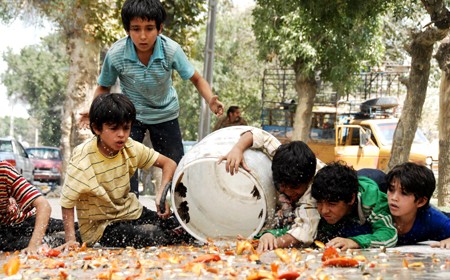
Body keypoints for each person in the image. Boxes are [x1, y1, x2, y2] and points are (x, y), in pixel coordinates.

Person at [80, 0, 224, 197]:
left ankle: (176, 211)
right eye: (136, 29)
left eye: (149, 29)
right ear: (127, 30)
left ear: (160, 28)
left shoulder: (170, 51)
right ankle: (129, 211)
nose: (143, 36)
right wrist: (95, 111)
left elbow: (197, 78)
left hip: (165, 114)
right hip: (132, 117)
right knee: (125, 162)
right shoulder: (116, 54)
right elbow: (104, 86)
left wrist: (210, 100)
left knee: (176, 165)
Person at [60, 93, 189, 249]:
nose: (121, 135)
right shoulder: (83, 158)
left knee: (185, 224)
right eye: (114, 129)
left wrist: (161, 194)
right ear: (96, 128)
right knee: (151, 235)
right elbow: (67, 202)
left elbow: (169, 163)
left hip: (132, 213)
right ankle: (67, 236)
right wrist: (70, 240)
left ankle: (169, 233)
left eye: (126, 128)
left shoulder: (131, 147)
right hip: (101, 226)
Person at [220, 128, 321, 253]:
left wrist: (268, 243)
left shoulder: (313, 192)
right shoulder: (281, 157)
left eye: (294, 188)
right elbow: (256, 135)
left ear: (309, 180)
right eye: (282, 186)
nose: (288, 193)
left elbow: (304, 232)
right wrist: (237, 149)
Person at [311, 161, 397, 250]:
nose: (324, 211)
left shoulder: (374, 202)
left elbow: (389, 236)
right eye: (319, 202)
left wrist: (354, 242)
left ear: (351, 199)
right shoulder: (319, 194)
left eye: (332, 204)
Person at [0, 161, 66, 253]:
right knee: (54, 241)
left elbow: (43, 205)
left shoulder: (3, 171)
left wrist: (35, 243)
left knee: (75, 229)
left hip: (23, 220)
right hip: (5, 235)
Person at [385, 162, 450, 248]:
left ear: (420, 201)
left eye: (404, 193)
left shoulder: (431, 219)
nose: (394, 198)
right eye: (391, 189)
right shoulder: (377, 211)